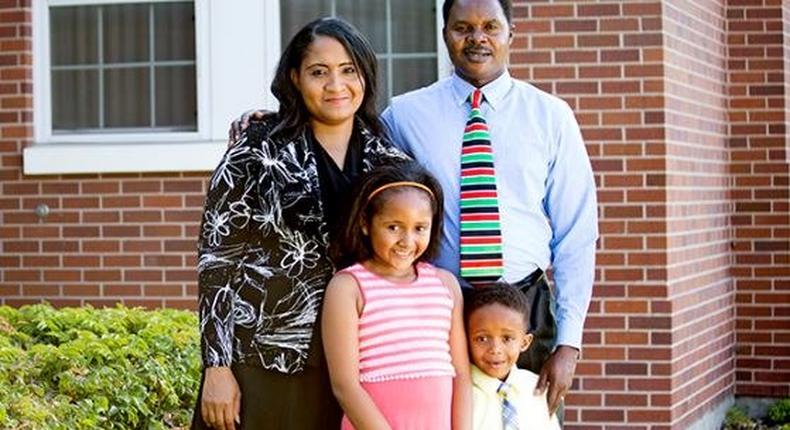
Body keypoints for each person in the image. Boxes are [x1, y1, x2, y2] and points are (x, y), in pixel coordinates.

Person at [228, 0, 598, 419]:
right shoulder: (405, 114)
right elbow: (344, 129)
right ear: (445, 35)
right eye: (462, 27)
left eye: (490, 26)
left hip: (521, 310)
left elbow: (576, 236)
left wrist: (569, 341)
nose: (477, 38)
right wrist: (275, 121)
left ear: (511, 33)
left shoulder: (551, 117)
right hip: (434, 311)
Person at [194, 17, 407, 430]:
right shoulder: (257, 149)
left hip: (356, 361)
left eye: (349, 70)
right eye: (318, 72)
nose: (335, 86)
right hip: (266, 356)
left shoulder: (389, 161)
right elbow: (217, 259)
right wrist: (216, 367)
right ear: (294, 77)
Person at [321, 161, 471, 430]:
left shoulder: (445, 285)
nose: (407, 240)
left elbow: (460, 375)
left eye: (419, 228)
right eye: (393, 227)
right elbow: (345, 385)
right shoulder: (348, 287)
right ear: (366, 224)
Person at [466, 284, 560, 430]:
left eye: (507, 338)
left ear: (525, 342)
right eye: (482, 338)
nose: (495, 349)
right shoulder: (461, 393)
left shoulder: (538, 389)